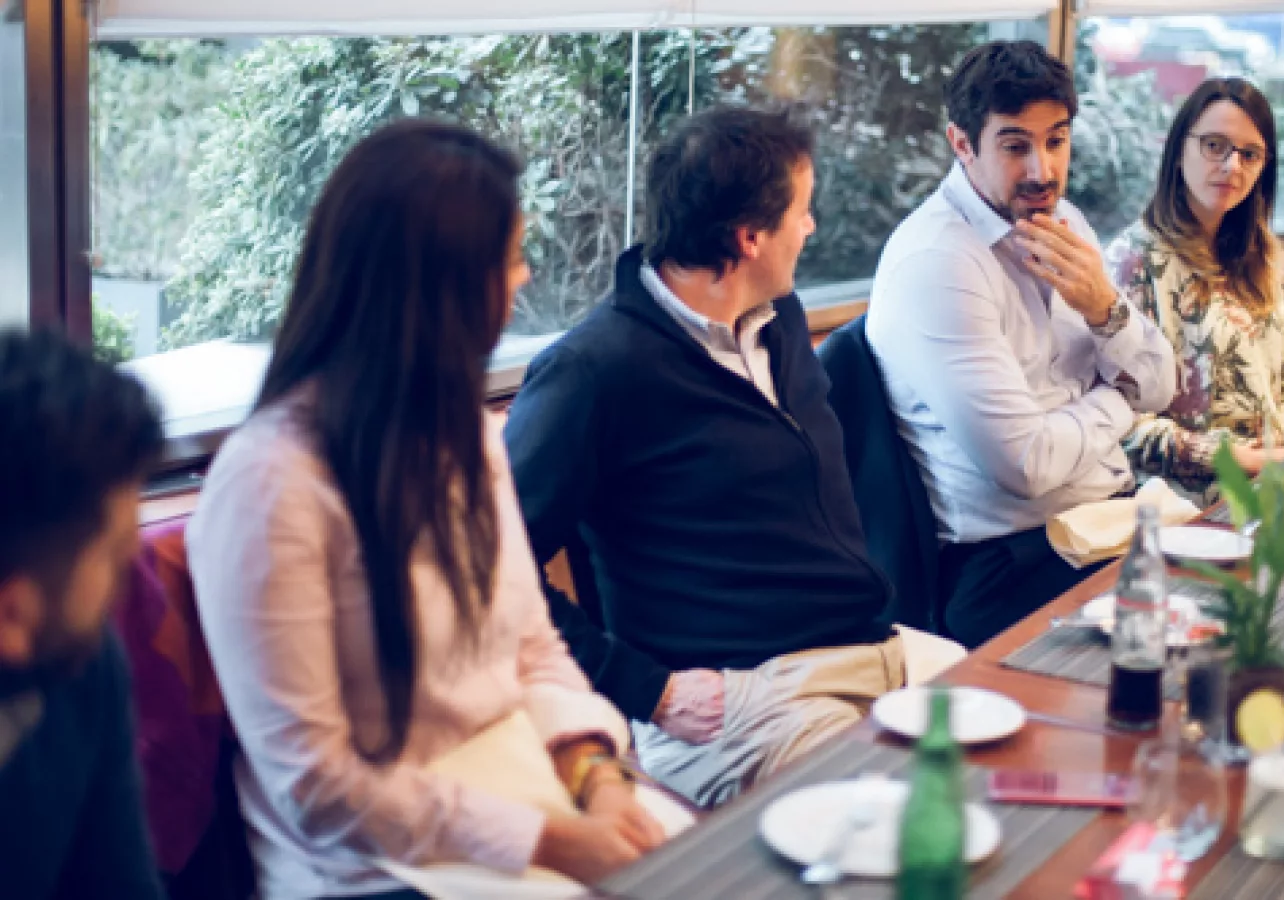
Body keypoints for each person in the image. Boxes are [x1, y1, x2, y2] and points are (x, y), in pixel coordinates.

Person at [186, 120, 662, 900]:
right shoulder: (271, 483)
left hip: (513, 786)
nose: (524, 277)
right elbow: (314, 784)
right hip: (366, 868)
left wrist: (595, 775)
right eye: (511, 257)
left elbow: (533, 648)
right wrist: (549, 841)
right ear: (444, 289)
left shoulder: (464, 436)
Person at [504, 105, 964, 810]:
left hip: (870, 651)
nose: (810, 227)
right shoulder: (592, 371)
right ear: (750, 237)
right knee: (909, 821)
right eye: (801, 212)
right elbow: (494, 568)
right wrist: (648, 690)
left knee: (1021, 744)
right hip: (742, 699)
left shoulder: (780, 318)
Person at [867, 40, 1177, 648]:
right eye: (1015, 146)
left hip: (1107, 524)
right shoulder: (937, 261)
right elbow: (1028, 466)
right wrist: (1121, 397)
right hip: (1010, 564)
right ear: (962, 144)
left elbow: (1161, 385)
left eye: (1056, 141)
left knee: (1245, 613)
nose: (1043, 170)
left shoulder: (1066, 222)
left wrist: (1104, 309)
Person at [0, 328, 167, 900]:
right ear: (12, 615)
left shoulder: (85, 663)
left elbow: (121, 881)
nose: (132, 578)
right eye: (116, 559)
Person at [1105, 77, 1284, 500]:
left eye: (1249, 154)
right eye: (1214, 146)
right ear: (1178, 151)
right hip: (1182, 498)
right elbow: (1122, 422)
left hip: (1274, 481)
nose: (1232, 166)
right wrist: (1242, 461)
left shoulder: (1259, 256)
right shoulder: (1133, 260)